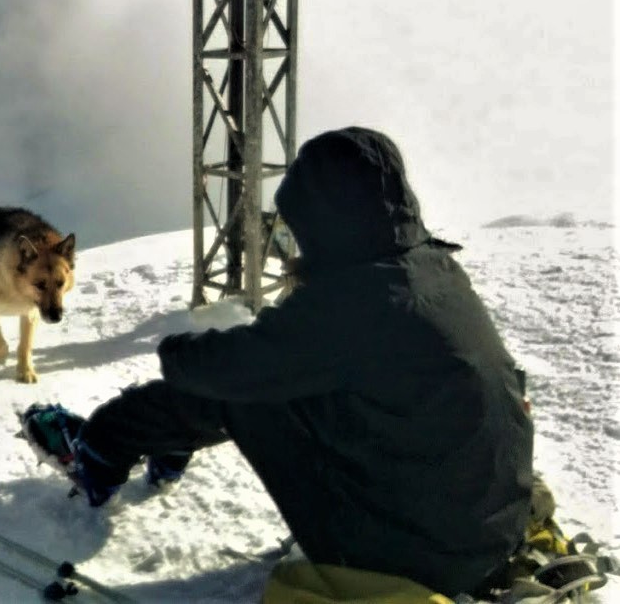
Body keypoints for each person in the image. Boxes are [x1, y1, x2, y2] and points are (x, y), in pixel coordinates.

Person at [63, 127, 533, 599]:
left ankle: (101, 449)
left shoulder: (354, 302)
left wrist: (173, 349)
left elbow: (226, 368)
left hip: (416, 560)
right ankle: (151, 441)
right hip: (492, 529)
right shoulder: (435, 271)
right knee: (281, 382)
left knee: (248, 394)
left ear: (327, 220)